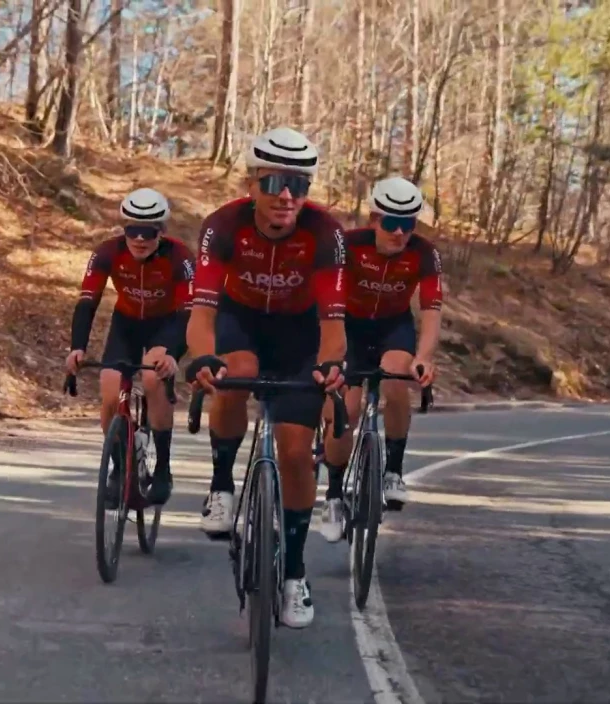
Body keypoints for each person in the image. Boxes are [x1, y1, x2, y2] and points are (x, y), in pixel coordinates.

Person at [184, 126, 347, 629]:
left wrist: (331, 366)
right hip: (241, 320)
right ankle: (221, 485)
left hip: (301, 335)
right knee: (236, 372)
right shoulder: (223, 226)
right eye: (274, 181)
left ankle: (294, 573)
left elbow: (334, 325)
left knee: (297, 451)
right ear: (251, 182)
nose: (285, 195)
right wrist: (203, 358)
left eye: (299, 185)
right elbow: (202, 314)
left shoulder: (326, 234)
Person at [318, 176, 442, 542]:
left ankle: (393, 471)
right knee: (347, 412)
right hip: (349, 327)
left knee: (398, 378)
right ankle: (335, 496)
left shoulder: (424, 252)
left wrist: (424, 357)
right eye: (391, 223)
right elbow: (329, 302)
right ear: (373, 219)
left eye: (409, 224)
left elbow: (432, 310)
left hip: (393, 327)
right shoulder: (348, 245)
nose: (400, 232)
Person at [66, 187, 194, 507]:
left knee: (152, 377)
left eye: (148, 232)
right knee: (110, 389)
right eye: (132, 231)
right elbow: (87, 301)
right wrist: (77, 347)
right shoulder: (107, 252)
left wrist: (171, 351)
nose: (139, 239)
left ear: (161, 232)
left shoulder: (180, 257)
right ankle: (120, 467)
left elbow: (188, 312)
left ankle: (162, 468)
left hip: (167, 325)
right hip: (126, 325)